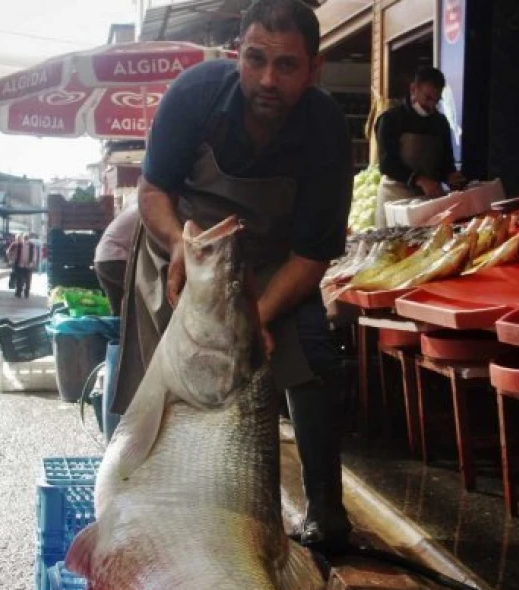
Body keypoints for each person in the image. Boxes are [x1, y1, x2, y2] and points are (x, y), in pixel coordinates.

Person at [114, 0, 353, 551]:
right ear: (235, 54)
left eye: (287, 66)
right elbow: (152, 193)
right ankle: (129, 505)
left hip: (275, 264)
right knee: (152, 383)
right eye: (256, 60)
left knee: (313, 358)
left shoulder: (324, 131)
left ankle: (325, 512)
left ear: (314, 70)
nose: (268, 79)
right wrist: (180, 245)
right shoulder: (195, 94)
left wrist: (252, 320)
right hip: (183, 251)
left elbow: (314, 254)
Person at [373, 66, 467, 227]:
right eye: (428, 98)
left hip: (427, 201)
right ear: (413, 89)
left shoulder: (441, 123)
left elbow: (446, 162)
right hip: (394, 197)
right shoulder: (390, 119)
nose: (431, 106)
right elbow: (387, 164)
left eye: (436, 101)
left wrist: (450, 176)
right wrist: (420, 179)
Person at [94, 205, 141, 315]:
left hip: (102, 259)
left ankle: (119, 330)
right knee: (142, 299)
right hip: (116, 259)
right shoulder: (149, 210)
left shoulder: (134, 207)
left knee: (118, 311)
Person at [6, 234, 37, 298]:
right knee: (19, 280)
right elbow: (10, 252)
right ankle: (19, 293)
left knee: (27, 280)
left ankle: (26, 293)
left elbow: (34, 254)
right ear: (23, 238)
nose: (26, 239)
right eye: (25, 238)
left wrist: (33, 262)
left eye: (27, 238)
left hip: (28, 265)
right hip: (20, 265)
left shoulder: (32, 245)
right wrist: (11, 259)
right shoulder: (18, 245)